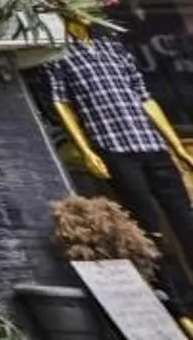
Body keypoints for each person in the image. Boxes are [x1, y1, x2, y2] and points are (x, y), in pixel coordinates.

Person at [47, 20, 193, 309]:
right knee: (148, 228)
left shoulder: (113, 47)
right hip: (113, 148)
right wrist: (87, 151)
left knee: (185, 218)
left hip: (150, 143)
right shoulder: (58, 55)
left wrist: (176, 146)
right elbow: (60, 102)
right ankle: (182, 305)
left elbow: (144, 97)